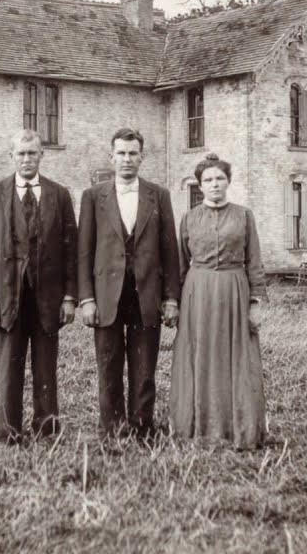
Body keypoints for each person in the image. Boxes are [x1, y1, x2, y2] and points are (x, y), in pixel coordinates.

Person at [0, 129, 78, 444]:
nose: (26, 159)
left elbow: (71, 250)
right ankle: (7, 432)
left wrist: (69, 297)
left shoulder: (59, 195)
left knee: (46, 367)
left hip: (47, 299)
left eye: (32, 153)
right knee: (9, 367)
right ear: (11, 157)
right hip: (8, 296)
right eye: (20, 153)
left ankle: (46, 431)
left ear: (41, 156)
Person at [78, 128, 181, 439]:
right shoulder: (93, 197)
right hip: (107, 295)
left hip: (146, 293)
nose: (126, 159)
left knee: (144, 366)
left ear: (142, 157)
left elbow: (169, 251)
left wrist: (171, 298)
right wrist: (87, 299)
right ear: (111, 157)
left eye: (132, 153)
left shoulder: (158, 195)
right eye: (121, 153)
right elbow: (84, 250)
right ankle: (111, 429)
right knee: (108, 364)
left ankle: (142, 428)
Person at [169, 153, 268, 449]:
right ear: (200, 185)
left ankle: (235, 429)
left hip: (234, 291)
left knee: (236, 357)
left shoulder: (244, 215)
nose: (214, 185)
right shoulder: (189, 218)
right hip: (197, 294)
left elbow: (255, 262)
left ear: (228, 182)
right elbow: (180, 265)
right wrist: (173, 301)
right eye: (208, 180)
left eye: (219, 179)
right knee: (199, 355)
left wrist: (255, 302)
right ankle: (197, 428)